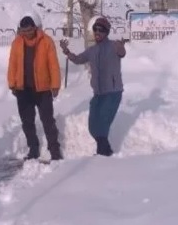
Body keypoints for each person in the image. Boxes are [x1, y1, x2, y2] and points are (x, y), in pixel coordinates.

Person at [59, 16, 126, 156]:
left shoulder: (114, 46)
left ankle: (102, 154)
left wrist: (121, 48)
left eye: (101, 30)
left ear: (106, 32)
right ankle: (106, 151)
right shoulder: (92, 50)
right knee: (93, 126)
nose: (98, 32)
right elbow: (78, 59)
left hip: (112, 92)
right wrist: (66, 51)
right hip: (98, 93)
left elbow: (121, 53)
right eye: (95, 29)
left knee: (101, 124)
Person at [7, 13, 63, 161]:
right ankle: (33, 149)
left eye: (29, 30)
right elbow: (12, 64)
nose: (27, 33)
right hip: (23, 89)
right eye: (24, 31)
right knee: (27, 121)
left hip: (43, 89)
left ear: (35, 28)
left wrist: (55, 84)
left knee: (47, 120)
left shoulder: (46, 41)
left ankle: (54, 150)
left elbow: (53, 64)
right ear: (21, 30)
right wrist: (12, 83)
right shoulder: (17, 43)